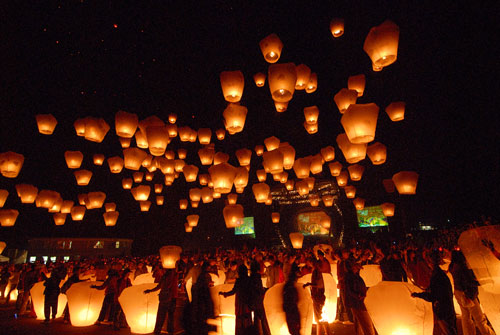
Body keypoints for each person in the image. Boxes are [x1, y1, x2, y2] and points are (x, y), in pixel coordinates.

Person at [448, 250, 494, 335]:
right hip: (468, 295)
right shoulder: (462, 268)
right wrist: (485, 281)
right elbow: (470, 282)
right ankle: (488, 333)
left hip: (458, 293)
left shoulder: (453, 267)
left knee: (466, 317)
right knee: (479, 319)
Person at [412, 250, 457, 335]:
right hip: (448, 308)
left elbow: (433, 296)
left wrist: (418, 295)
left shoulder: (437, 276)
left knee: (448, 331)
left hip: (443, 310)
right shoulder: (440, 274)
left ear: (430, 262)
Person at [219, 264, 253, 335]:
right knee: (247, 319)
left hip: (240, 304)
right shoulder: (249, 280)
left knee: (240, 321)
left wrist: (224, 294)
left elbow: (233, 291)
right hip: (248, 303)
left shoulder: (239, 281)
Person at [144, 267, 178, 335]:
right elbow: (160, 286)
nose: (159, 273)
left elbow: (162, 286)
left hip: (166, 298)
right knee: (170, 316)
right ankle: (170, 331)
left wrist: (151, 290)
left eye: (159, 271)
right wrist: (150, 290)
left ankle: (158, 331)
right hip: (171, 298)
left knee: (161, 315)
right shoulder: (171, 275)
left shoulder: (169, 276)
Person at [345, 261, 375, 335]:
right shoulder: (350, 277)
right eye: (355, 267)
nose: (358, 268)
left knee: (359, 322)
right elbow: (349, 290)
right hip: (357, 302)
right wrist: (359, 296)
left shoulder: (356, 276)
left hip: (359, 301)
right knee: (365, 323)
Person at [303, 259, 331, 335]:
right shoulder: (317, 272)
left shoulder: (316, 272)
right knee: (319, 316)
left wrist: (309, 284)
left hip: (318, 296)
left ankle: (327, 332)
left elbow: (319, 285)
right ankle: (324, 332)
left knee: (320, 316)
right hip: (318, 296)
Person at [248, 261, 271, 335]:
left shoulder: (250, 277)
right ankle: (266, 333)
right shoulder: (257, 277)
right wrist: (265, 290)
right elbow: (259, 290)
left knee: (256, 318)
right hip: (258, 301)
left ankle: (257, 332)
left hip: (252, 300)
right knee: (263, 318)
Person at [283, 263, 301, 335]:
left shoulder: (287, 287)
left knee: (293, 329)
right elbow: (295, 298)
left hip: (290, 310)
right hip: (292, 309)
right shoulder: (291, 287)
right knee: (294, 329)